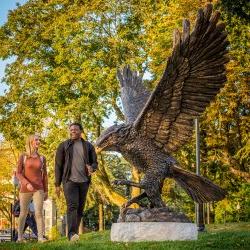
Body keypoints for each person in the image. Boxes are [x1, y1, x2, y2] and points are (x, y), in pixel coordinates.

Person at [55, 122, 98, 241]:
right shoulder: (64, 145)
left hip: (84, 181)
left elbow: (95, 163)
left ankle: (74, 234)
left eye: (75, 129)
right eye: (71, 129)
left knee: (80, 208)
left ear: (81, 131)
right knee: (72, 206)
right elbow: (58, 165)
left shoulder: (88, 146)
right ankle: (71, 234)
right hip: (69, 180)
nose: (73, 131)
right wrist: (57, 184)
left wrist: (92, 168)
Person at [16, 134, 48, 243]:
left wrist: (46, 190)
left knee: (39, 213)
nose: (39, 141)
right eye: (36, 140)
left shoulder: (42, 158)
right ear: (31, 142)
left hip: (39, 188)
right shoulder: (23, 156)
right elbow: (18, 173)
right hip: (25, 189)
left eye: (39, 139)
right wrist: (26, 183)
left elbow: (45, 175)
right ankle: (20, 238)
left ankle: (40, 237)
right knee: (23, 213)